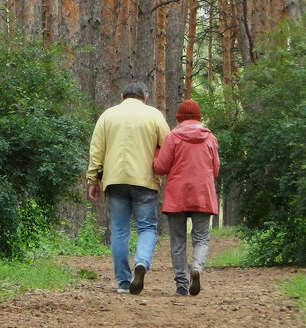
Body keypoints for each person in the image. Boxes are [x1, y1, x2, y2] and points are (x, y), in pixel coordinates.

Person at [87, 81, 170, 294]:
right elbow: (169, 147)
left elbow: (96, 150)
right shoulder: (154, 116)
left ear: (123, 95)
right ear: (145, 96)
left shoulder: (107, 116)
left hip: (114, 180)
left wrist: (93, 180)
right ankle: (141, 263)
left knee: (120, 230)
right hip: (144, 180)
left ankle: (123, 282)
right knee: (147, 227)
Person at [152, 99, 220, 296]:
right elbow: (215, 170)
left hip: (177, 195)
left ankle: (181, 284)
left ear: (178, 118)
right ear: (199, 117)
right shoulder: (210, 139)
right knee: (201, 238)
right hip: (202, 194)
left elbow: (160, 167)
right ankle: (196, 268)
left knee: (178, 240)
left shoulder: (172, 138)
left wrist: (157, 152)